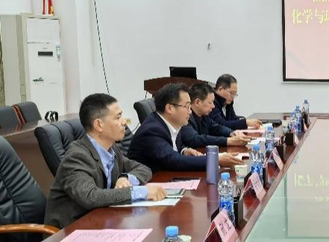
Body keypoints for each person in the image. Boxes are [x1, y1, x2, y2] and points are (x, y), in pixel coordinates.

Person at [45, 94, 165, 229]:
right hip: (70, 230)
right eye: (118, 117)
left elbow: (143, 169)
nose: (124, 122)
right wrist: (141, 192)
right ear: (99, 125)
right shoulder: (77, 156)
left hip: (101, 221)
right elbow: (90, 197)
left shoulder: (111, 148)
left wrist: (125, 178)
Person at [128, 83, 243, 172]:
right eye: (187, 106)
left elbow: (173, 147)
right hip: (149, 184)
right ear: (170, 108)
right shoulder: (152, 130)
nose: (190, 111)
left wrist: (184, 150)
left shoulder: (171, 124)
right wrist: (215, 160)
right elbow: (173, 160)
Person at [181, 83, 252, 148]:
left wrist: (232, 133)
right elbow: (195, 139)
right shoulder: (185, 116)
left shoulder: (204, 115)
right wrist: (227, 141)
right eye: (210, 102)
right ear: (197, 102)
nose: (213, 106)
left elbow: (217, 128)